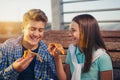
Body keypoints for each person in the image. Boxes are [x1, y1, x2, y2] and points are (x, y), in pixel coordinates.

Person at [0, 9, 65, 80]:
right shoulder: (8, 47)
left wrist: (57, 57)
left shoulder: (48, 52)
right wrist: (14, 69)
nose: (36, 34)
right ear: (23, 28)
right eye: (32, 29)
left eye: (40, 30)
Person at [63, 14, 113, 80]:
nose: (69, 34)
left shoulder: (102, 57)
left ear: (86, 32)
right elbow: (66, 78)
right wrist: (57, 58)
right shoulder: (72, 51)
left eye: (73, 30)